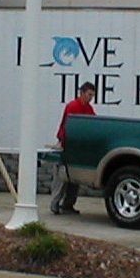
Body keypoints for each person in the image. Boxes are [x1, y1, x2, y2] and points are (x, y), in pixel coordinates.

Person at [50, 82, 96, 215]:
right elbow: (68, 127)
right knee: (61, 177)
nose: (91, 98)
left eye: (92, 95)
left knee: (75, 177)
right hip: (66, 144)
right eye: (89, 94)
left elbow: (93, 124)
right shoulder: (72, 106)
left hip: (78, 147)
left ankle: (68, 204)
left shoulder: (89, 109)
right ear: (81, 93)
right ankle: (55, 202)